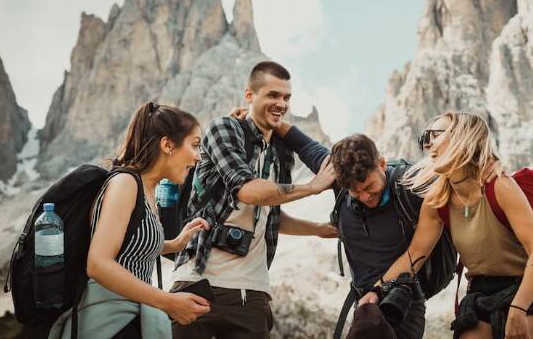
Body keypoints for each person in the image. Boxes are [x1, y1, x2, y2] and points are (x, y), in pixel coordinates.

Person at [268, 121, 502, 338]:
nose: (365, 197)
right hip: (364, 301)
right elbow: (304, 144)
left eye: (370, 187)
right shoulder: (339, 178)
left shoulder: (412, 182)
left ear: (382, 164)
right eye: (355, 192)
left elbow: (460, 170)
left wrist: (490, 162)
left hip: (404, 299)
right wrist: (264, 119)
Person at [170, 61, 337, 339]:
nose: (281, 103)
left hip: (253, 293)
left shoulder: (281, 153)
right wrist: (311, 188)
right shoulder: (223, 129)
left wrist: (317, 230)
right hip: (198, 283)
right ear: (249, 95)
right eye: (272, 95)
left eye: (286, 97)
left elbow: (269, 212)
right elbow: (247, 190)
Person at [377, 112, 533, 338]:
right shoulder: (437, 201)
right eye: (425, 137)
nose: (427, 143)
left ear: (463, 136)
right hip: (480, 292)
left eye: (435, 135)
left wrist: (518, 308)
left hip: (527, 287)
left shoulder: (499, 186)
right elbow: (414, 255)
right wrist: (374, 291)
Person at [50, 102, 212, 338]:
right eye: (195, 145)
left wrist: (174, 244)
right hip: (108, 323)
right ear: (167, 145)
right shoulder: (125, 183)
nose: (198, 157)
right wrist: (169, 302)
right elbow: (98, 264)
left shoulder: (147, 191)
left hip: (130, 318)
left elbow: (127, 245)